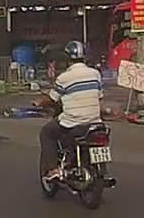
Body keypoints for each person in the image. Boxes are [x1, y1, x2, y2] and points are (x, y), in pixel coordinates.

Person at [38, 41, 104, 181]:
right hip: (95, 122)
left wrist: (39, 103)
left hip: (73, 122)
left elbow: (52, 99)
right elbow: (99, 96)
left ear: (67, 59)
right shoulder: (95, 74)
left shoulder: (64, 78)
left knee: (46, 132)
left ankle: (53, 170)